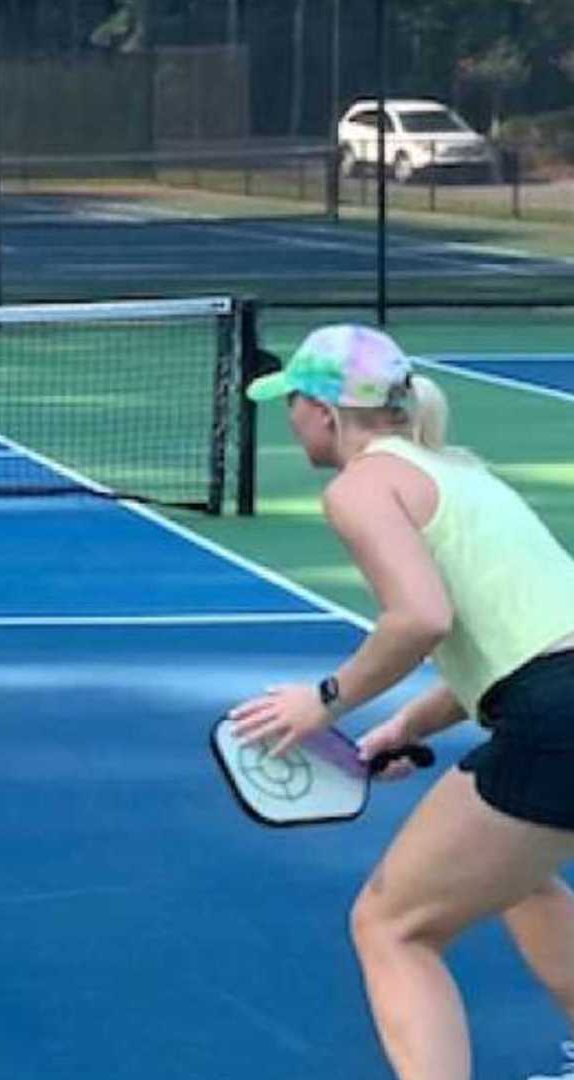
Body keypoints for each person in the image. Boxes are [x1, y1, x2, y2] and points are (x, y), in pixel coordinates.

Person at [226, 324, 574, 1080]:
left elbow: (419, 618)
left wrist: (325, 701)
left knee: (390, 927)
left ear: (324, 410)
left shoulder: (361, 487)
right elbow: (524, 640)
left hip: (556, 714)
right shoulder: (461, 472)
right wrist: (404, 725)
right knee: (518, 880)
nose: (290, 421)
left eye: (293, 403)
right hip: (556, 702)